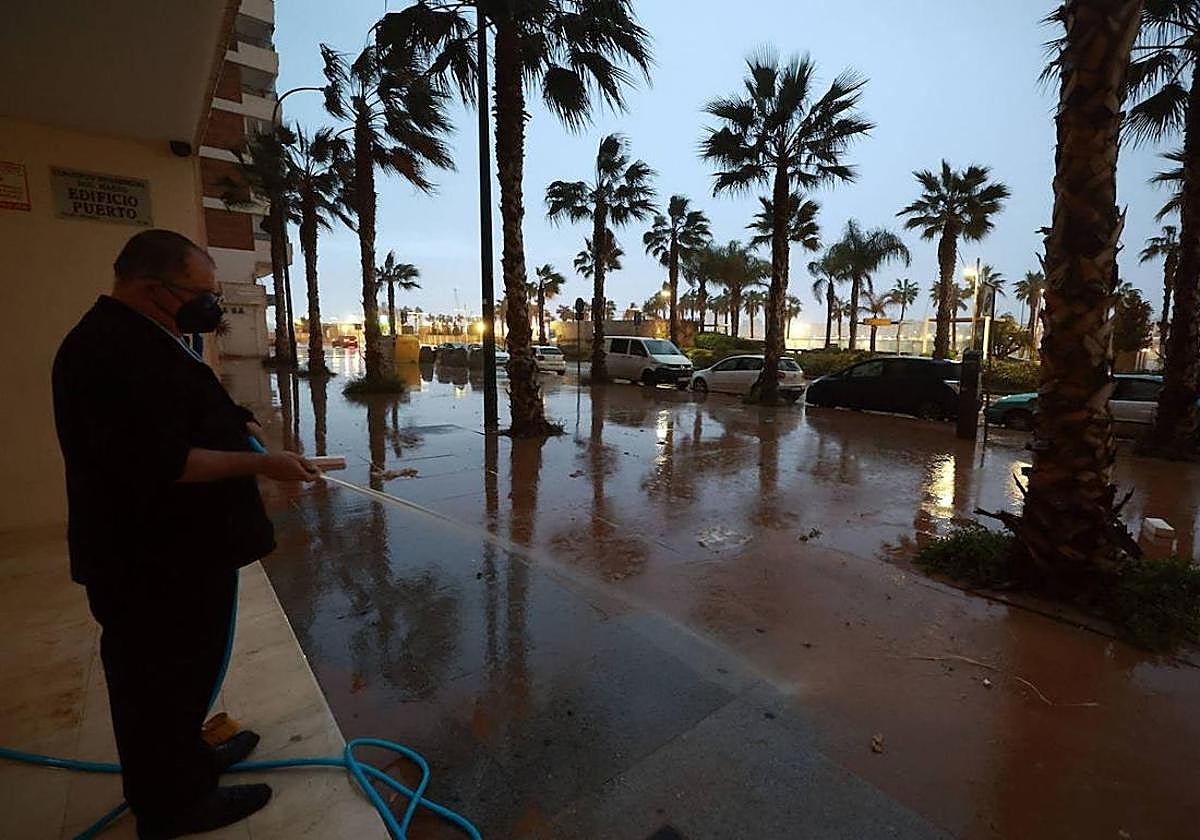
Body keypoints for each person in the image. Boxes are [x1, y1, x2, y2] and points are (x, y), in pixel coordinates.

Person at [52, 229, 321, 839]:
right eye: (202, 293)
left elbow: (186, 414)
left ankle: (188, 761)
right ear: (154, 290)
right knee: (156, 681)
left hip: (182, 553)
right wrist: (262, 464)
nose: (212, 305)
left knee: (186, 673)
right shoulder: (106, 351)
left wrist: (242, 428)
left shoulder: (152, 337)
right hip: (147, 559)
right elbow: (165, 461)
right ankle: (173, 806)